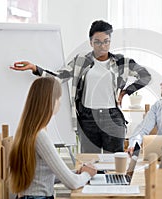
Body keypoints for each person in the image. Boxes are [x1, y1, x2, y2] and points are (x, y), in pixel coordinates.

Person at [10, 20, 151, 153]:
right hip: (87, 118)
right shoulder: (81, 60)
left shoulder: (122, 62)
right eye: (97, 42)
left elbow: (145, 76)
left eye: (106, 42)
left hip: (113, 118)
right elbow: (58, 78)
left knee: (114, 166)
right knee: (90, 164)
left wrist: (126, 91)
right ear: (91, 42)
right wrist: (35, 68)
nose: (102, 46)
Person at [9, 77, 97, 199]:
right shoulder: (40, 136)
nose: (60, 102)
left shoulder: (28, 131)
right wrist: (88, 174)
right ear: (49, 101)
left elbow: (44, 176)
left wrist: (77, 172)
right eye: (58, 98)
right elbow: (73, 183)